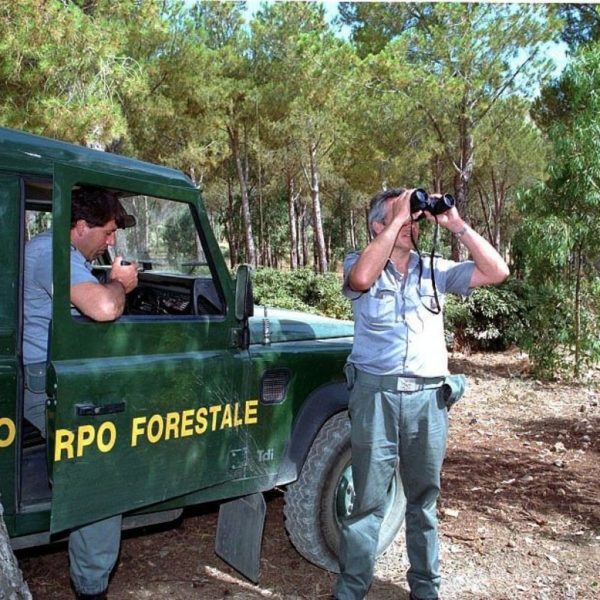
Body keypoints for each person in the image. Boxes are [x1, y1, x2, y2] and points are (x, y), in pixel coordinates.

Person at [334, 187, 509, 600]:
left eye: (414, 219)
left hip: (428, 399)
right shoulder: (360, 264)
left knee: (424, 501)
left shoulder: (434, 269)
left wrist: (455, 224)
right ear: (380, 224)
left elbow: (497, 271)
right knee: (369, 503)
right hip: (376, 396)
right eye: (403, 218)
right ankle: (351, 590)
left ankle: (426, 590)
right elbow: (359, 279)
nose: (413, 225)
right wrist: (397, 217)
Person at [23, 187, 138, 600]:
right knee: (100, 471)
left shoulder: (58, 253)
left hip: (47, 373)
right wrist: (117, 283)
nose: (111, 242)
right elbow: (105, 308)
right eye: (106, 232)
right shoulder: (51, 252)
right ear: (80, 227)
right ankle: (92, 588)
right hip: (40, 382)